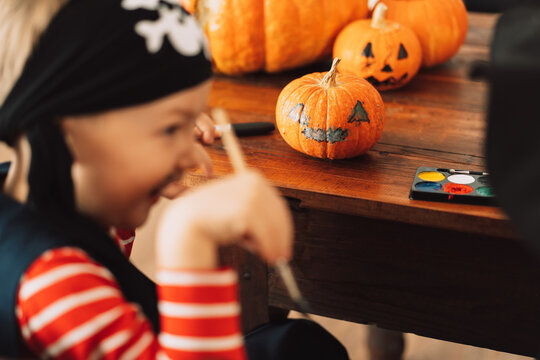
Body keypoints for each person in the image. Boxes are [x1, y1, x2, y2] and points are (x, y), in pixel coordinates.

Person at [0, 0, 349, 359]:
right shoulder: (56, 285)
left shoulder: (46, 197)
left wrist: (156, 158)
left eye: (190, 125)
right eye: (169, 128)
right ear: (67, 133)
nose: (191, 155)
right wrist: (187, 237)